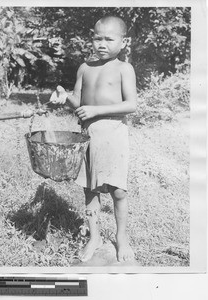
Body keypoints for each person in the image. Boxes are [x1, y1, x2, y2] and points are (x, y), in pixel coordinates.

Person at [50, 16, 137, 263]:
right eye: (97, 38)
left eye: (109, 39)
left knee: (118, 191)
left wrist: (96, 111)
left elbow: (131, 105)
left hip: (113, 135)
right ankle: (95, 236)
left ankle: (122, 237)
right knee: (90, 190)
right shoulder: (85, 68)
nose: (102, 44)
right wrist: (65, 96)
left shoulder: (123, 69)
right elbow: (79, 103)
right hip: (88, 137)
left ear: (124, 42)